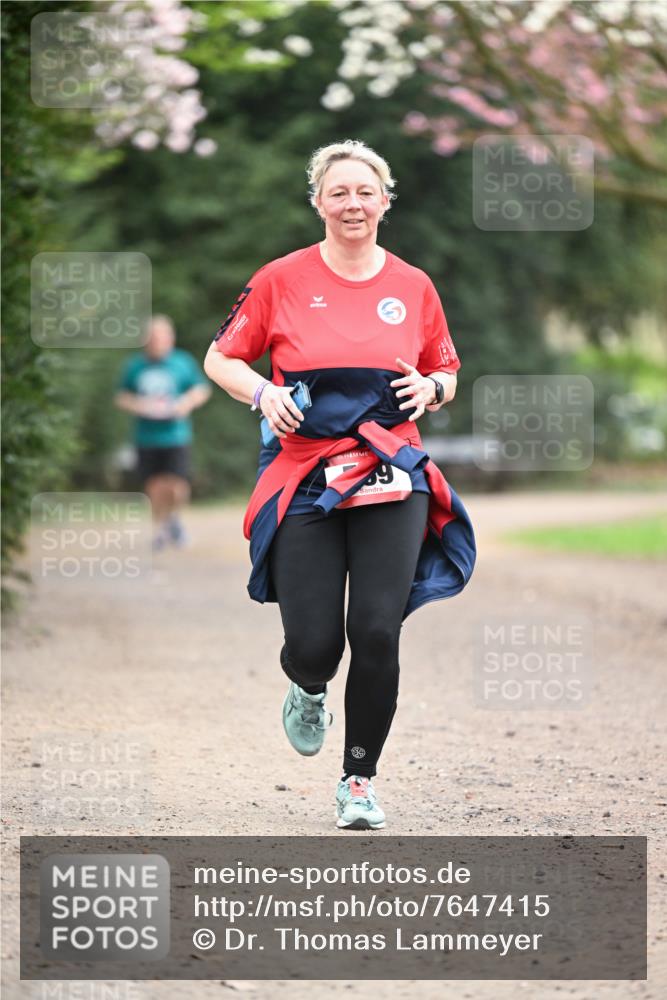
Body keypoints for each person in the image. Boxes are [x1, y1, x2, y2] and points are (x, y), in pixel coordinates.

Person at [204, 140, 475, 830]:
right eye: (338, 192)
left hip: (391, 471)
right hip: (305, 474)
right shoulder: (280, 279)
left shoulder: (413, 284)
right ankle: (307, 683)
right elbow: (221, 357)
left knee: (377, 629)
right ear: (318, 203)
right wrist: (263, 394)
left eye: (364, 191)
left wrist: (433, 387)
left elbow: (444, 365)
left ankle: (358, 780)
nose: (352, 204)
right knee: (317, 642)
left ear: (385, 200)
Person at [115, 315, 210, 549]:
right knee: (155, 486)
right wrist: (139, 405)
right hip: (146, 436)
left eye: (162, 336)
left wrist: (186, 403)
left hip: (176, 435)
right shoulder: (135, 365)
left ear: (171, 338)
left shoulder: (182, 362)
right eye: (153, 337)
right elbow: (121, 396)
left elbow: (201, 389)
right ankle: (159, 531)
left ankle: (173, 519)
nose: (157, 341)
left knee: (177, 486)